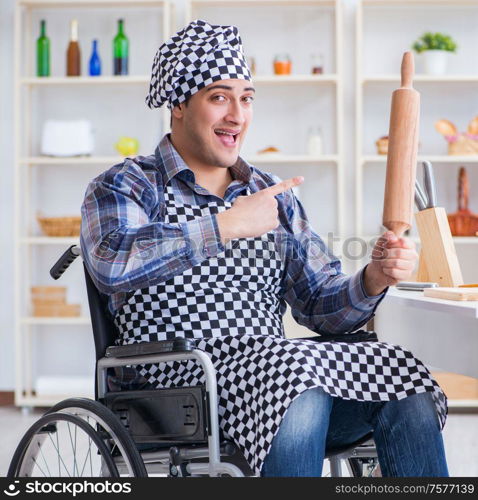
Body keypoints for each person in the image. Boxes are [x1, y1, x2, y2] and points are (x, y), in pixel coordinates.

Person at [80, 20, 448, 477]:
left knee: (399, 372)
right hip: (174, 386)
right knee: (293, 375)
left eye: (246, 98)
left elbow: (319, 303)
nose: (237, 114)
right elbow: (112, 263)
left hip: (273, 376)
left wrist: (373, 277)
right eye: (219, 97)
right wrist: (223, 226)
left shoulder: (270, 192)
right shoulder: (126, 185)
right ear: (177, 104)